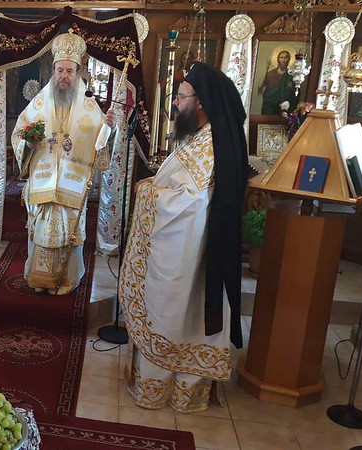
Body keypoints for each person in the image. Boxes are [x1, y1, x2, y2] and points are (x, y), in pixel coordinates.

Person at [118, 62, 248, 413]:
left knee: (175, 312)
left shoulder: (209, 145)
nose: (175, 103)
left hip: (190, 250)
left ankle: (171, 388)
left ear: (201, 101)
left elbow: (190, 203)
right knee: (183, 314)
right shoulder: (202, 135)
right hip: (192, 245)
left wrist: (148, 193)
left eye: (181, 96)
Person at [11, 31, 115, 295]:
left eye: (70, 70)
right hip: (43, 176)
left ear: (78, 73)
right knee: (41, 229)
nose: (64, 76)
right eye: (60, 70)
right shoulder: (39, 102)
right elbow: (19, 132)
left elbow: (100, 144)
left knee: (69, 230)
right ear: (53, 70)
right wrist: (28, 142)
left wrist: (108, 128)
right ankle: (38, 278)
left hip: (72, 178)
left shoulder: (89, 106)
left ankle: (68, 279)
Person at [257, 50, 298, 115]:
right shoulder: (271, 74)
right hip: (269, 106)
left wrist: (292, 87)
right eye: (281, 57)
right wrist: (267, 68)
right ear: (278, 59)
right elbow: (260, 85)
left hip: (284, 109)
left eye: (286, 57)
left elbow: (297, 92)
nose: (283, 60)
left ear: (289, 60)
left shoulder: (291, 75)